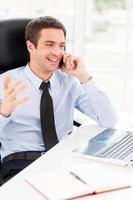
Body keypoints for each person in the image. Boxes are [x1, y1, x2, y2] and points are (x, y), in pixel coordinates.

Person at [0, 16, 118, 184]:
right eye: (49, 44)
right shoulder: (5, 83)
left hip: (63, 159)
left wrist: (83, 76)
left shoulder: (69, 82)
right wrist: (3, 112)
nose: (57, 52)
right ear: (30, 46)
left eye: (61, 45)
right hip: (21, 163)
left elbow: (109, 120)